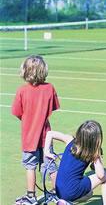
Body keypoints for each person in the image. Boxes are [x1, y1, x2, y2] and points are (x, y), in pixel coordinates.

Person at [12, 55, 60, 205]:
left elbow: (17, 112)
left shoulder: (22, 91)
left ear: (25, 71)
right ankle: (58, 194)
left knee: (30, 166)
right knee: (51, 165)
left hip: (29, 137)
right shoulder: (50, 88)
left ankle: (31, 196)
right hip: (47, 136)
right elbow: (53, 108)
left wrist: (30, 120)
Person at [44, 120, 106, 205]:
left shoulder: (69, 140)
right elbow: (101, 175)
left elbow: (50, 133)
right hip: (72, 190)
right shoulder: (93, 153)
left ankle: (65, 202)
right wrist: (98, 158)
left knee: (89, 194)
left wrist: (47, 151)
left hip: (58, 190)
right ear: (96, 139)